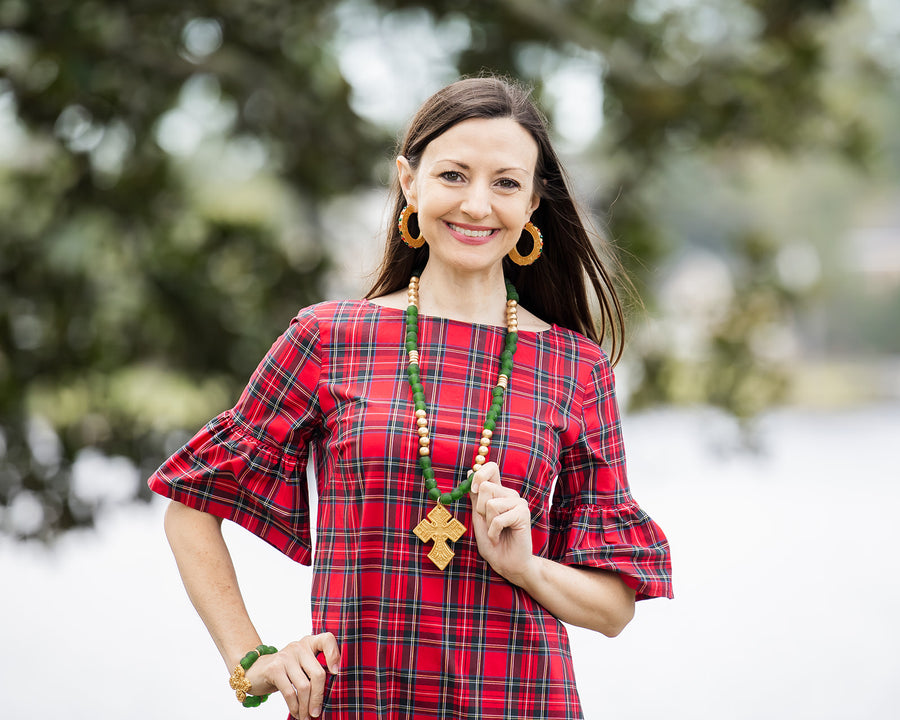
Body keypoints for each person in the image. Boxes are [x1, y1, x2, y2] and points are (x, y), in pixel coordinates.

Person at [150, 75, 672, 720]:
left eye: (505, 183)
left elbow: (614, 607)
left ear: (534, 203)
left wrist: (525, 565)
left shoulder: (576, 367)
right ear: (410, 181)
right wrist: (251, 662)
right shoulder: (327, 337)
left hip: (518, 703)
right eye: (453, 175)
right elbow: (191, 504)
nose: (477, 205)